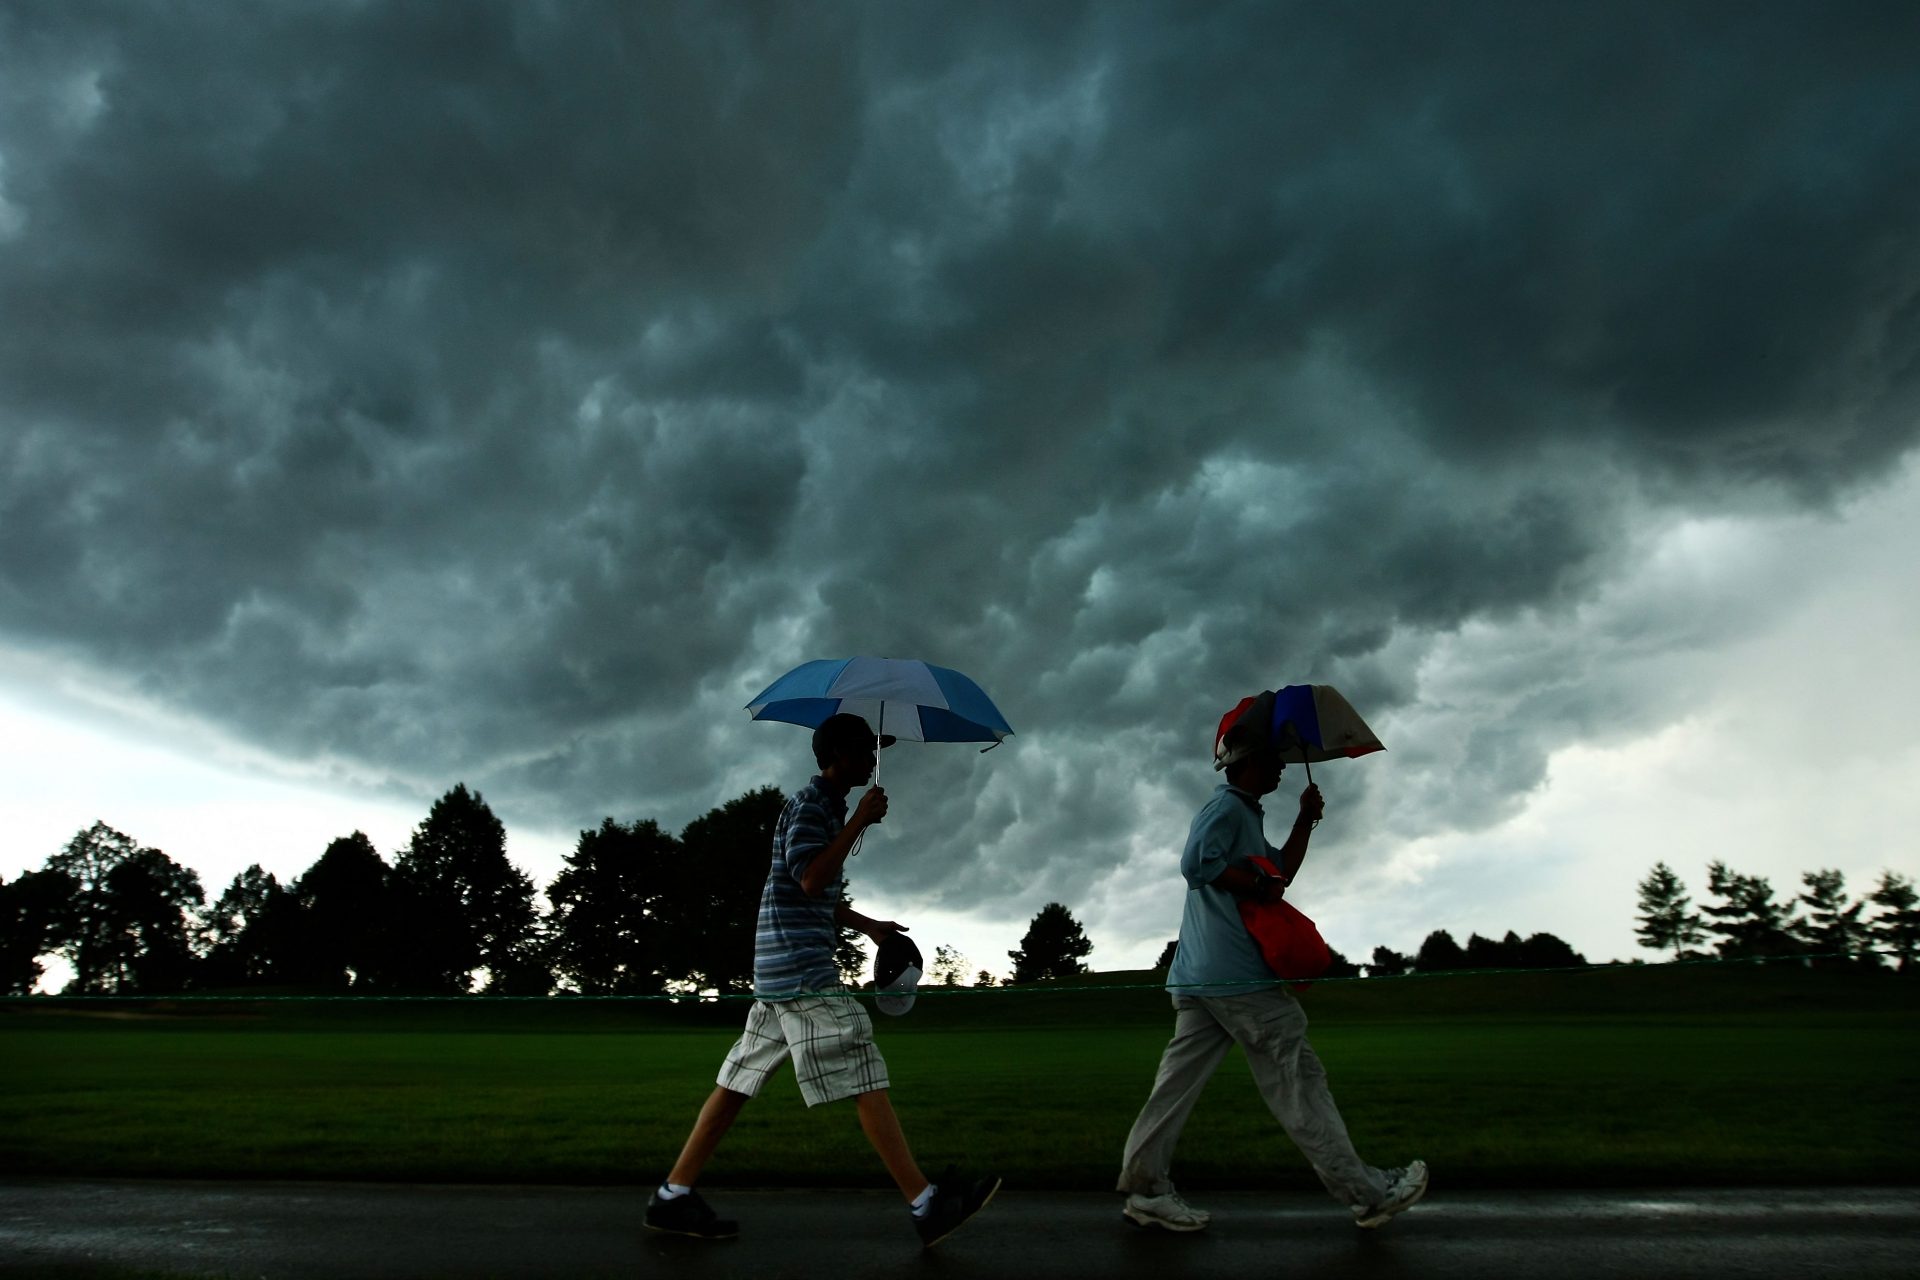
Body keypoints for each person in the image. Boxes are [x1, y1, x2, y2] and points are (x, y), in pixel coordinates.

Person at [645, 712, 1000, 1249]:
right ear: (836, 755)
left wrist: (869, 925)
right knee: (861, 1059)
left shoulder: (822, 809)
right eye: (864, 750)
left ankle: (672, 1196)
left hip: (778, 966)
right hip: (800, 970)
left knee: (738, 1080)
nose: (872, 759)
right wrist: (859, 819)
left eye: (874, 750)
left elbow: (810, 889)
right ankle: (927, 1205)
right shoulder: (814, 807)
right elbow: (810, 878)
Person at [1115, 699, 1428, 1232]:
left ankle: (1146, 1190)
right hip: (1237, 976)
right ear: (1242, 761)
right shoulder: (1227, 808)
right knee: (1298, 1078)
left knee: (1173, 1090)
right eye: (1271, 757)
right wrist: (1255, 882)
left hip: (1201, 976)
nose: (1281, 765)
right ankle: (1368, 1193)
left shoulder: (1244, 814)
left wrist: (1304, 821)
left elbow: (1279, 873)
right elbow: (1197, 865)